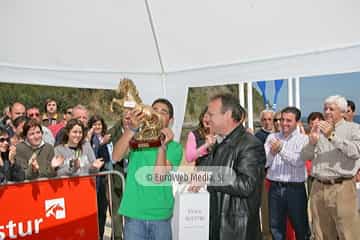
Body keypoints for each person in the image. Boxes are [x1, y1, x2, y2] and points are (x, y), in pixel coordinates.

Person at [112, 98, 183, 240]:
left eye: (164, 112)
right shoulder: (137, 140)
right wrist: (131, 129)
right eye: (155, 110)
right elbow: (116, 156)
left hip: (160, 215)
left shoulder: (175, 147)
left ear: (171, 120)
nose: (158, 113)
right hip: (134, 214)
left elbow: (158, 177)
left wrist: (162, 146)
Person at [203, 93, 265, 240]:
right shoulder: (221, 142)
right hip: (219, 225)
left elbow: (246, 185)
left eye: (211, 114)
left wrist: (209, 177)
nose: (207, 119)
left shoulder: (250, 144)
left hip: (237, 230)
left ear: (228, 115)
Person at [301, 95, 360, 240]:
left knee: (348, 233)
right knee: (321, 233)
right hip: (318, 187)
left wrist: (331, 136)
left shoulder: (354, 129)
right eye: (325, 108)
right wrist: (312, 142)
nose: (327, 112)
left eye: (331, 109)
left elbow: (356, 152)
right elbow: (304, 156)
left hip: (342, 188)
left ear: (343, 111)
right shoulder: (318, 130)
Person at [265, 107, 310, 240]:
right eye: (282, 119)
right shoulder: (271, 137)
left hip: (295, 189)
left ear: (297, 122)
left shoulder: (303, 139)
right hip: (274, 188)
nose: (283, 123)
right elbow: (264, 163)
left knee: (301, 227)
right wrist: (272, 153)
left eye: (288, 120)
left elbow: (298, 161)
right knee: (276, 228)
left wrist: (281, 149)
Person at [88, 115, 112, 240]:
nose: (97, 127)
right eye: (94, 124)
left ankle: (101, 235)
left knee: (103, 211)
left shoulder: (107, 137)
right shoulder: (89, 138)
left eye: (99, 124)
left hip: (105, 178)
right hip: (95, 179)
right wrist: (101, 144)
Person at [254, 109, 274, 240]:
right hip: (264, 176)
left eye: (270, 119)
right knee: (266, 208)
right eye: (264, 119)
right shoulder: (257, 136)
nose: (267, 122)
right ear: (261, 121)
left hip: (280, 178)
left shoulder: (280, 134)